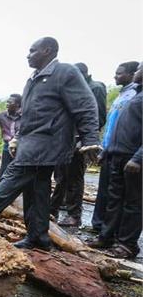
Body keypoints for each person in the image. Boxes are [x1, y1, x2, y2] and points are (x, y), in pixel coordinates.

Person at [0, 37, 100, 250]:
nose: (28, 55)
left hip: (47, 143)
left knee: (13, 176)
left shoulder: (65, 73)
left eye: (32, 51)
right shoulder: (33, 80)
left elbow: (86, 106)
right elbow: (30, 116)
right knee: (36, 189)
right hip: (32, 141)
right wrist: (18, 138)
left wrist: (91, 139)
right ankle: (38, 237)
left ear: (47, 51)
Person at [91, 62, 142, 258]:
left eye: (139, 69)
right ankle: (107, 237)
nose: (137, 71)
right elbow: (120, 128)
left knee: (133, 203)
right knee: (114, 200)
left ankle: (127, 245)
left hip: (134, 158)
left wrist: (138, 158)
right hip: (118, 154)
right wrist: (107, 150)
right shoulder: (135, 95)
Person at [50, 63, 107, 226]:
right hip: (65, 139)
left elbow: (98, 117)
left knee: (74, 178)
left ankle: (74, 215)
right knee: (60, 177)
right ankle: (52, 209)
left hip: (79, 141)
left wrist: (86, 140)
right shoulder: (72, 89)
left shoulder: (95, 88)